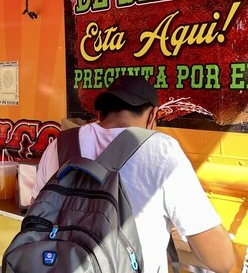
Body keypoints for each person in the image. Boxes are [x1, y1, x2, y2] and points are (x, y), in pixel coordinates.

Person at [31, 75, 235, 273]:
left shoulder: (58, 145)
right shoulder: (162, 151)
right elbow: (222, 261)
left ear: (101, 114)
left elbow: (37, 218)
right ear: (153, 116)